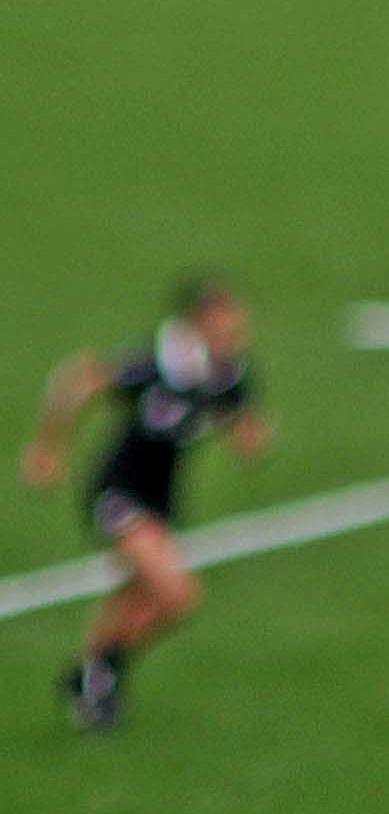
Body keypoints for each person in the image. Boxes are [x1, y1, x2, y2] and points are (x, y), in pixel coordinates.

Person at [29, 274, 259, 734]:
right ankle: (98, 672)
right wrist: (47, 448)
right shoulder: (156, 363)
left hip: (161, 499)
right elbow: (76, 380)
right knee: (177, 595)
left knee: (136, 594)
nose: (236, 323)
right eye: (226, 315)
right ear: (199, 320)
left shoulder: (228, 372)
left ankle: (92, 680)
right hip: (119, 491)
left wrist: (246, 434)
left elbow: (242, 421)